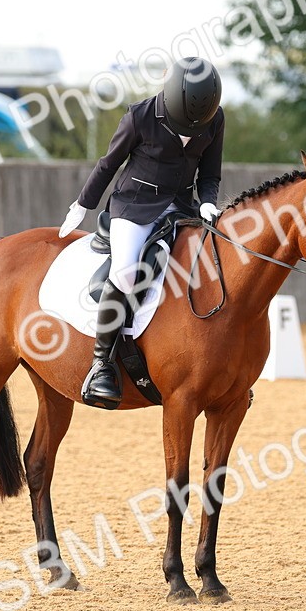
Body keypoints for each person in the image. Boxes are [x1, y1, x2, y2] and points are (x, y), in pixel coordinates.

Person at [58, 57, 224, 409]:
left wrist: (208, 202)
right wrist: (83, 204)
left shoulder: (215, 118)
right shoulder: (140, 116)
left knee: (211, 265)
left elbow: (210, 173)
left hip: (182, 207)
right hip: (134, 207)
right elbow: (109, 163)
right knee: (127, 272)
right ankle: (101, 364)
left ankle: (221, 368)